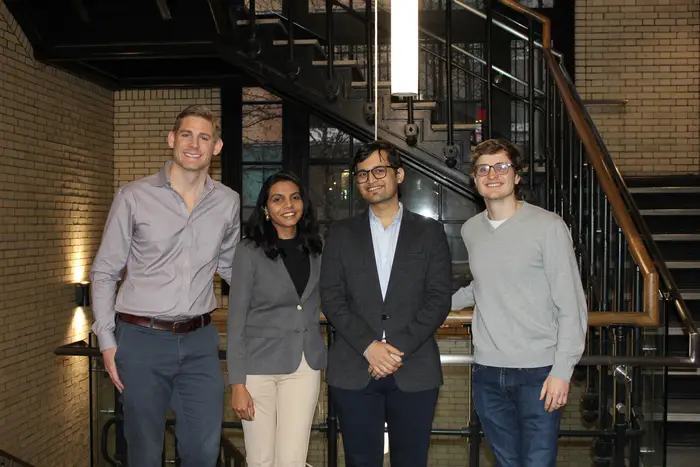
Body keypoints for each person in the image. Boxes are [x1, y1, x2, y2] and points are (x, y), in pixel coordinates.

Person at [90, 105, 240, 467]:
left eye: (204, 137)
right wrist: (107, 342)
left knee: (204, 452)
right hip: (141, 341)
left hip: (200, 342)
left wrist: (276, 300)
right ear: (172, 139)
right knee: (143, 453)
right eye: (186, 134)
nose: (194, 144)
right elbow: (105, 272)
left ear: (216, 147)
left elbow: (232, 267)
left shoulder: (227, 201)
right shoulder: (134, 196)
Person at [452, 139, 588, 467]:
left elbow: (572, 304)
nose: (493, 174)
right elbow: (482, 283)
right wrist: (436, 304)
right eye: (484, 168)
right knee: (505, 463)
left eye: (502, 166)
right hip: (487, 371)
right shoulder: (471, 230)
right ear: (474, 179)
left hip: (539, 373)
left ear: (517, 176)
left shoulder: (548, 227)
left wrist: (562, 370)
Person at [320, 140, 452, 467]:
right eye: (362, 174)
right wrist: (370, 347)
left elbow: (438, 298)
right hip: (354, 367)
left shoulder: (429, 232)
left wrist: (393, 349)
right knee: (359, 461)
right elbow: (332, 297)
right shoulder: (340, 233)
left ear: (400, 174)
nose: (371, 179)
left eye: (380, 170)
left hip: (414, 367)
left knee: (411, 461)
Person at [226, 171, 326, 467]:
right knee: (260, 460)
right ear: (265, 209)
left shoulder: (316, 248)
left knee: (293, 460)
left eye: (295, 197)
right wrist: (237, 384)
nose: (288, 205)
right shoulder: (249, 251)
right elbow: (236, 321)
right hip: (258, 370)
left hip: (304, 367)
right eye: (278, 199)